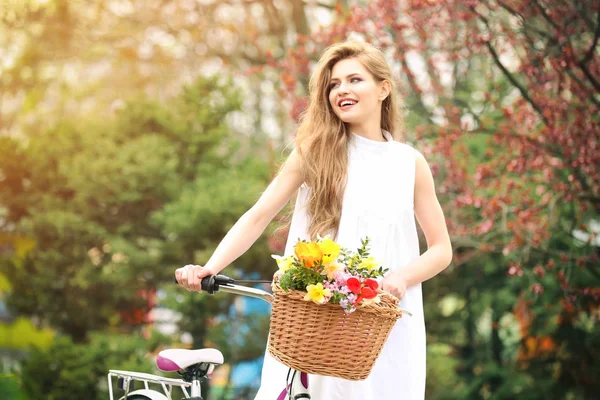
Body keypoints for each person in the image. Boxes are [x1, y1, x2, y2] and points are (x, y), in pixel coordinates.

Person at [175, 40, 452, 400]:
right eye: (334, 84)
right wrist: (208, 268)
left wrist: (400, 278)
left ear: (384, 88)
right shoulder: (314, 152)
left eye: (354, 80)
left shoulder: (409, 163)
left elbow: (441, 249)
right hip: (318, 320)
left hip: (384, 324)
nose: (342, 90)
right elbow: (259, 215)